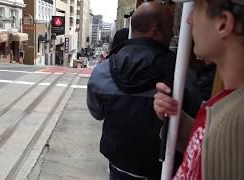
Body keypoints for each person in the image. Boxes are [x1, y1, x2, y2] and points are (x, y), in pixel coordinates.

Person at [153, 0, 244, 179]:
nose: (189, 20)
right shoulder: (225, 103)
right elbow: (208, 152)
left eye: (197, 9)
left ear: (223, 24)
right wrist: (178, 119)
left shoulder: (237, 122)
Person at [87, 2, 175, 179]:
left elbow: (97, 112)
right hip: (161, 170)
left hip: (118, 166)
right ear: (155, 31)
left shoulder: (103, 71)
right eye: (170, 28)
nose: (172, 34)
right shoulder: (178, 73)